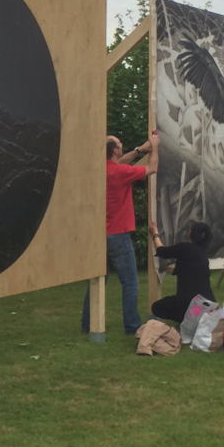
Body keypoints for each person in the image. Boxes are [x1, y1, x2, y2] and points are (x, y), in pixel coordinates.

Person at [82, 132, 158, 336]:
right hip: (119, 236)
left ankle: (87, 324)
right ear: (115, 150)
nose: (121, 144)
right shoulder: (121, 173)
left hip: (100, 236)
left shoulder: (100, 171)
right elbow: (152, 168)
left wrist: (141, 149)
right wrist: (155, 147)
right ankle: (132, 326)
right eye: (119, 143)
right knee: (130, 283)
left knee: (97, 282)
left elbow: (120, 162)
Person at [147, 220, 215, 324]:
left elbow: (162, 252)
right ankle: (193, 321)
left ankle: (186, 320)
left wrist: (155, 233)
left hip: (187, 304)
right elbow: (186, 270)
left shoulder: (185, 248)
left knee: (156, 307)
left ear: (191, 233)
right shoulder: (203, 256)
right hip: (208, 304)